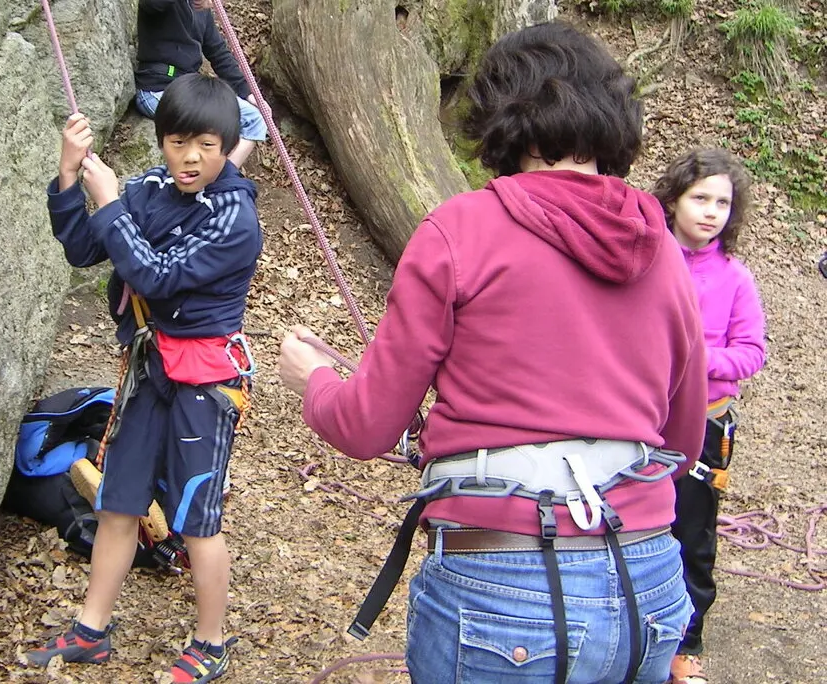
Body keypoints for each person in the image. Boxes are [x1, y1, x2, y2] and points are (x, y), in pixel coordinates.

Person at [277, 22, 708, 684]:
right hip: (646, 579)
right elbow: (681, 440)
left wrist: (316, 380)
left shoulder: (461, 229)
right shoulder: (661, 246)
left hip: (506, 584)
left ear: (501, 116)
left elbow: (366, 425)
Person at [26, 73, 261, 684]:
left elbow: (154, 276)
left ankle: (210, 641)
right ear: (162, 141)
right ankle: (91, 630)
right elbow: (85, 248)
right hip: (149, 369)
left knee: (194, 515)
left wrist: (109, 204)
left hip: (204, 383)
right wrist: (71, 176)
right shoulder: (152, 189)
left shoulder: (235, 217)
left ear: (229, 145)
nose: (190, 158)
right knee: (118, 501)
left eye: (208, 145)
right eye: (179, 142)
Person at [651, 148, 767, 684]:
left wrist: (696, 358)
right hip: (642, 417)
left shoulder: (735, 277)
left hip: (706, 422)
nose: (711, 210)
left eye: (722, 202)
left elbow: (751, 352)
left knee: (691, 533)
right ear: (673, 200)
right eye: (700, 198)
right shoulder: (647, 260)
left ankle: (684, 643)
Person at [134, 0, 268, 168]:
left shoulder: (201, 10)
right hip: (157, 89)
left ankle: (219, 180)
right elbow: (152, 4)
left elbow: (219, 53)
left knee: (254, 119)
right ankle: (213, 183)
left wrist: (248, 93)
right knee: (222, 125)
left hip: (188, 89)